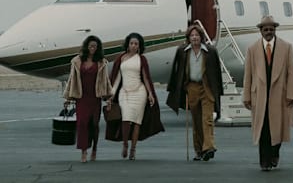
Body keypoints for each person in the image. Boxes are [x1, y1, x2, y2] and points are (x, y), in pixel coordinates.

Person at [243, 15, 293, 171]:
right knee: (263, 129)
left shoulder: (286, 47)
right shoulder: (252, 49)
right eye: (265, 29)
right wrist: (246, 96)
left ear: (275, 30)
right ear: (260, 31)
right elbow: (248, 74)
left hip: (279, 96)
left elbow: (291, 73)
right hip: (259, 97)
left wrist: (291, 95)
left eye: (271, 29)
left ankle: (275, 153)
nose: (268, 32)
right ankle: (264, 162)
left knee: (278, 128)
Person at [166, 24, 224, 161]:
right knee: (197, 121)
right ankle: (199, 150)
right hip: (191, 87)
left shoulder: (210, 51)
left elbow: (216, 72)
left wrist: (218, 91)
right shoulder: (182, 51)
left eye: (197, 35)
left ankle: (209, 147)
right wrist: (177, 88)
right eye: (192, 35)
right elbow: (177, 70)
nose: (194, 38)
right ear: (188, 38)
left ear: (201, 37)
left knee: (207, 119)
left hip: (206, 87)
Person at [106, 32, 163, 160]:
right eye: (131, 43)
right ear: (127, 44)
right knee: (126, 119)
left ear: (139, 46)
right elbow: (116, 79)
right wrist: (111, 95)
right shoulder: (121, 58)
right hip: (124, 93)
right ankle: (125, 143)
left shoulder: (141, 59)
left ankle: (133, 149)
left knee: (137, 122)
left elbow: (146, 78)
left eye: (136, 44)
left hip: (139, 92)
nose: (133, 45)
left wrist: (150, 94)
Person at [63, 35, 113, 163]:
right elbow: (71, 80)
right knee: (82, 124)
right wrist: (68, 97)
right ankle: (84, 151)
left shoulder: (101, 62)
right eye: (91, 46)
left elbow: (106, 80)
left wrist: (108, 97)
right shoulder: (77, 61)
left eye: (95, 47)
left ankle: (94, 148)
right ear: (86, 47)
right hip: (81, 97)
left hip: (95, 97)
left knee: (94, 125)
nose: (93, 49)